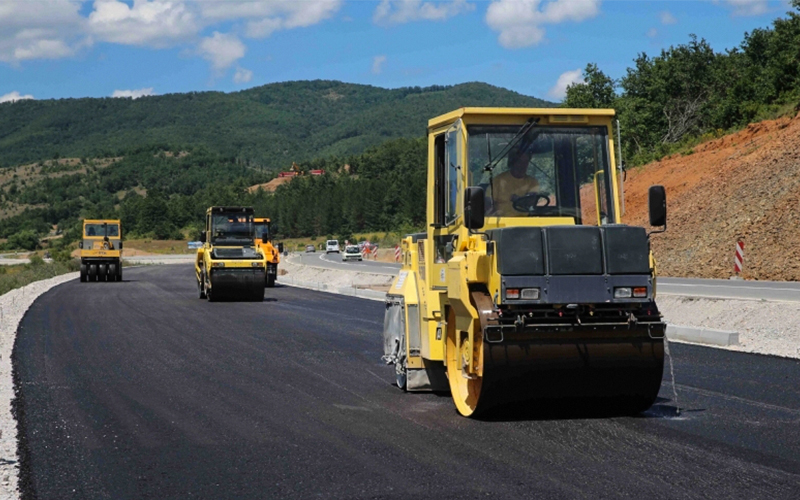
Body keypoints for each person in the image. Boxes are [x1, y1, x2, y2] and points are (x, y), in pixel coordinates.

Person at [489, 141, 540, 216]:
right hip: (501, 221)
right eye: (520, 162)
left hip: (525, 221)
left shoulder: (533, 182)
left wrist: (518, 200)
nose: (523, 166)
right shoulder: (498, 181)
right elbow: (488, 203)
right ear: (512, 162)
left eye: (525, 162)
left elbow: (531, 202)